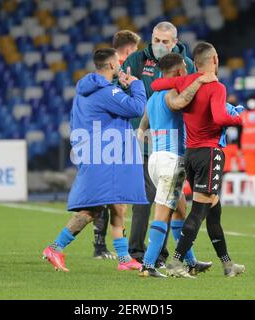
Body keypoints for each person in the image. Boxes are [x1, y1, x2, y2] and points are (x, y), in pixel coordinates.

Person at [42, 48, 148, 272]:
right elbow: (138, 107)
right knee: (93, 210)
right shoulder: (106, 92)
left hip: (102, 154)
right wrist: (136, 85)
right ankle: (54, 247)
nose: (120, 65)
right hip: (105, 158)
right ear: (111, 65)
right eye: (118, 62)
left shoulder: (85, 91)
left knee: (119, 205)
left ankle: (124, 259)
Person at [151, 42, 245, 278]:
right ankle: (176, 261)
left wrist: (193, 82)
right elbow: (220, 116)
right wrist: (240, 117)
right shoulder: (216, 86)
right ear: (214, 59)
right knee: (200, 210)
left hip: (191, 154)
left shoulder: (186, 82)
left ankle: (227, 264)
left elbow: (156, 83)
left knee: (214, 210)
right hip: (209, 153)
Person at [121, 21, 196, 266]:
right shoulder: (136, 61)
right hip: (158, 149)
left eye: (165, 42)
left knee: (175, 204)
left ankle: (172, 258)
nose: (160, 45)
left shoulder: (187, 67)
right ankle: (143, 258)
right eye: (156, 40)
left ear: (175, 42)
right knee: (151, 199)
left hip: (174, 147)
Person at [137, 53, 216, 277]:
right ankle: (148, 265)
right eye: (185, 69)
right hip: (172, 161)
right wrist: (200, 81)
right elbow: (179, 102)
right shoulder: (172, 93)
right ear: (180, 71)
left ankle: (189, 261)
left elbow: (144, 122)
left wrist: (142, 134)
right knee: (163, 211)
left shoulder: (153, 97)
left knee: (180, 210)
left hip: (156, 159)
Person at [92, 30, 141, 260]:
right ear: (130, 50)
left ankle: (103, 247)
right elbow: (131, 106)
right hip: (117, 140)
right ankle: (108, 249)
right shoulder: (121, 72)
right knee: (115, 198)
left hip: (102, 138)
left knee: (106, 197)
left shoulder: (101, 73)